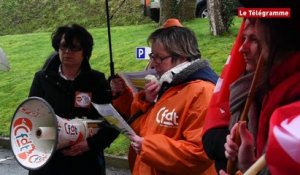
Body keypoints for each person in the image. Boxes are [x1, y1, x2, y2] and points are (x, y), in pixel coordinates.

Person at [127, 20, 219, 174]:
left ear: (182, 56)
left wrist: (148, 147)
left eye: (159, 58)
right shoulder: (167, 85)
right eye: (152, 56)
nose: (152, 64)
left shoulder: (202, 92)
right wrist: (147, 102)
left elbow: (200, 154)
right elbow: (140, 131)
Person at [28, 24, 119, 175]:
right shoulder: (42, 78)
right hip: (48, 163)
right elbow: (31, 115)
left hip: (85, 164)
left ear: (85, 53)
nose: (67, 52)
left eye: (74, 48)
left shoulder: (96, 80)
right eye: (63, 47)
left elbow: (112, 122)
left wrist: (90, 144)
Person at [222, 0, 300, 174]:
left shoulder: (291, 106)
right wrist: (249, 165)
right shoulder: (277, 88)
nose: (242, 48)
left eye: (255, 37)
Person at [202, 18, 260, 172]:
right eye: (243, 38)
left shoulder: (284, 96)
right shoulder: (242, 87)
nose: (242, 49)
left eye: (254, 39)